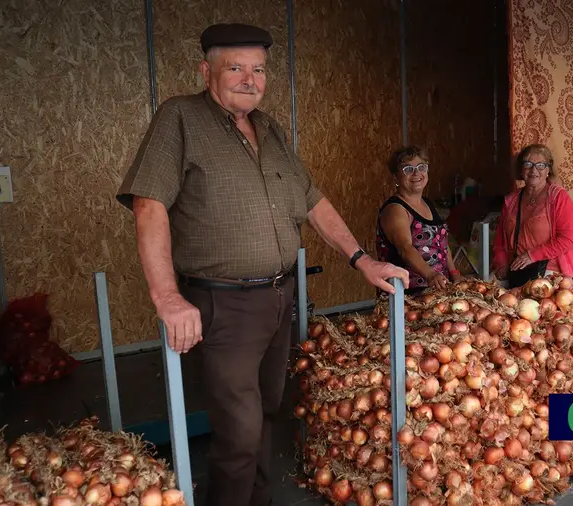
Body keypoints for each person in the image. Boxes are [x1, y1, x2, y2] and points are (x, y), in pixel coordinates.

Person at [114, 23, 408, 506]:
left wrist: (362, 260)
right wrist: (167, 297)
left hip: (279, 296)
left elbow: (312, 200)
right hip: (223, 302)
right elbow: (149, 206)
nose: (250, 79)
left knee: (269, 411)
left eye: (259, 69)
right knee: (240, 428)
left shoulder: (269, 128)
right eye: (236, 68)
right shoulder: (180, 118)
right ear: (206, 71)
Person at [375, 145, 460, 293]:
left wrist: (454, 274)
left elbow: (442, 244)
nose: (416, 173)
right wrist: (431, 274)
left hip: (436, 291)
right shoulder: (395, 209)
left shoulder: (427, 203)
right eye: (407, 169)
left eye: (421, 167)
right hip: (405, 295)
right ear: (395, 177)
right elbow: (405, 248)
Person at [491, 144, 573, 286]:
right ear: (521, 169)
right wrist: (501, 263)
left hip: (551, 270)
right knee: (483, 293)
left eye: (540, 165)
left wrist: (533, 255)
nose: (534, 170)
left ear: (548, 170)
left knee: (530, 304)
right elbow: (500, 240)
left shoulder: (558, 197)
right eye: (528, 164)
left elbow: (568, 238)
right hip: (515, 268)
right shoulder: (512, 200)